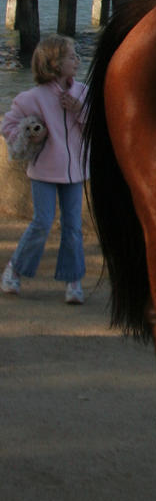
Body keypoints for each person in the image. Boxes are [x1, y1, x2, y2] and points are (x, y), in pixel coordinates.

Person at [1, 35, 88, 303]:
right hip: (44, 172)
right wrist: (30, 134)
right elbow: (8, 126)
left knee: (73, 227)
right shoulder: (32, 98)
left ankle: (73, 281)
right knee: (42, 222)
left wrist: (80, 110)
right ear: (54, 63)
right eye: (71, 56)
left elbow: (98, 124)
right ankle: (14, 269)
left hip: (75, 172)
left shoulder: (83, 92)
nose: (77, 60)